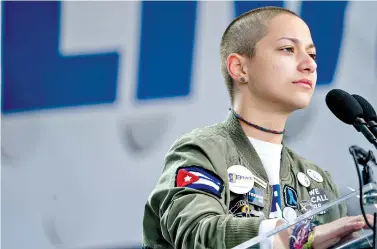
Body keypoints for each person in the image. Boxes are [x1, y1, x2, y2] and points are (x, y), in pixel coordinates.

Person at [142, 6, 375, 249]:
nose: (309, 65)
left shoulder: (316, 180)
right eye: (288, 49)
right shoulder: (202, 152)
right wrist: (298, 235)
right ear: (240, 68)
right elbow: (195, 232)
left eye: (312, 55)